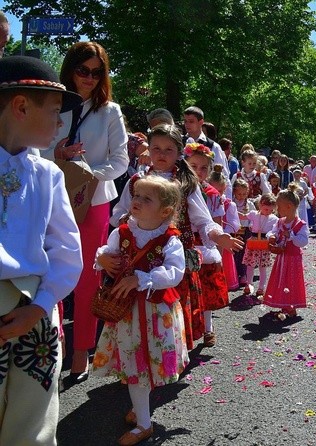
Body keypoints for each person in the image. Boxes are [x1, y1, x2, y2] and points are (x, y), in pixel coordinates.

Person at [0, 55, 83, 446]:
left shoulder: (48, 174)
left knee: (34, 421)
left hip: (35, 308)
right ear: (20, 107)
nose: (59, 123)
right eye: (53, 111)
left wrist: (42, 303)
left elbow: (67, 248)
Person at [110, 124, 242, 349]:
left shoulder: (185, 183)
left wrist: (219, 236)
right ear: (148, 150)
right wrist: (127, 222)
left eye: (168, 149)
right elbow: (120, 212)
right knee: (143, 306)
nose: (161, 154)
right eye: (156, 148)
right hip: (142, 253)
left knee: (170, 307)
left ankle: (169, 356)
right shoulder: (136, 182)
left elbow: (202, 219)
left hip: (173, 254)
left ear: (179, 152)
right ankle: (145, 353)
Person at [46, 42, 129, 383]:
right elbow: (35, 149)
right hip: (52, 197)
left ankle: (81, 352)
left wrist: (88, 173)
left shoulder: (110, 111)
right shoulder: (51, 105)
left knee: (86, 277)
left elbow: (121, 159)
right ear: (70, 69)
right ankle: (55, 346)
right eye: (83, 71)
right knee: (51, 272)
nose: (90, 79)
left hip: (93, 200)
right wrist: (58, 155)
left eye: (97, 72)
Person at [92, 175, 188, 445]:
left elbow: (175, 273)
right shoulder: (122, 231)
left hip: (155, 313)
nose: (137, 201)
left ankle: (142, 416)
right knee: (136, 362)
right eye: (136, 195)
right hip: (126, 312)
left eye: (147, 198)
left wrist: (143, 279)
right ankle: (143, 417)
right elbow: (107, 252)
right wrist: (102, 258)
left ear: (165, 211)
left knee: (146, 363)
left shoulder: (170, 240)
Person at [185, 143, 229, 348]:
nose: (199, 172)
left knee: (206, 287)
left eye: (204, 168)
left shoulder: (212, 193)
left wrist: (217, 245)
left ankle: (209, 328)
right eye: (194, 166)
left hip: (205, 241)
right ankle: (189, 328)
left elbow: (216, 221)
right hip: (184, 241)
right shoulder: (181, 187)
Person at [264, 186, 309, 321]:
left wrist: (292, 236)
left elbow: (303, 241)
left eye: (279, 206)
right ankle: (282, 303)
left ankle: (291, 306)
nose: (277, 210)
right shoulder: (280, 222)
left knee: (291, 281)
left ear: (289, 206)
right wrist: (271, 236)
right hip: (282, 257)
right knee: (281, 280)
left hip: (293, 259)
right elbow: (272, 231)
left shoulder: (300, 224)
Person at [182, 106, 231, 198]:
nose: (187, 124)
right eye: (185, 121)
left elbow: (224, 176)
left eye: (191, 121)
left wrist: (225, 202)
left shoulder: (213, 146)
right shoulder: (179, 143)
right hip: (183, 192)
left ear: (201, 122)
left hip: (207, 195)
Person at [209, 164, 240, 292]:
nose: (217, 194)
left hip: (223, 240)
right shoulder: (205, 201)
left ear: (225, 188)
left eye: (220, 191)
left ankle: (221, 289)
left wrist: (224, 232)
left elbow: (235, 225)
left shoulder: (228, 204)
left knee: (223, 264)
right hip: (208, 238)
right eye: (214, 190)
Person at [242, 193, 278, 299]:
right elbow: (243, 216)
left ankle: (261, 287)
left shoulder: (274, 218)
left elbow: (275, 230)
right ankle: (249, 284)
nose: (268, 212)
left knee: (263, 267)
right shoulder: (254, 214)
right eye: (266, 209)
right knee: (250, 265)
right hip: (253, 242)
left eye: (271, 210)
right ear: (261, 205)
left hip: (264, 243)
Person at [232, 179, 256, 289]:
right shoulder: (232, 203)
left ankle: (244, 274)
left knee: (244, 253)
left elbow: (254, 216)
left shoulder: (249, 204)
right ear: (234, 192)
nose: (241, 196)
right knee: (235, 253)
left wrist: (251, 224)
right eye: (239, 194)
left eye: (243, 194)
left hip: (246, 230)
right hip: (234, 231)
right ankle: (234, 273)